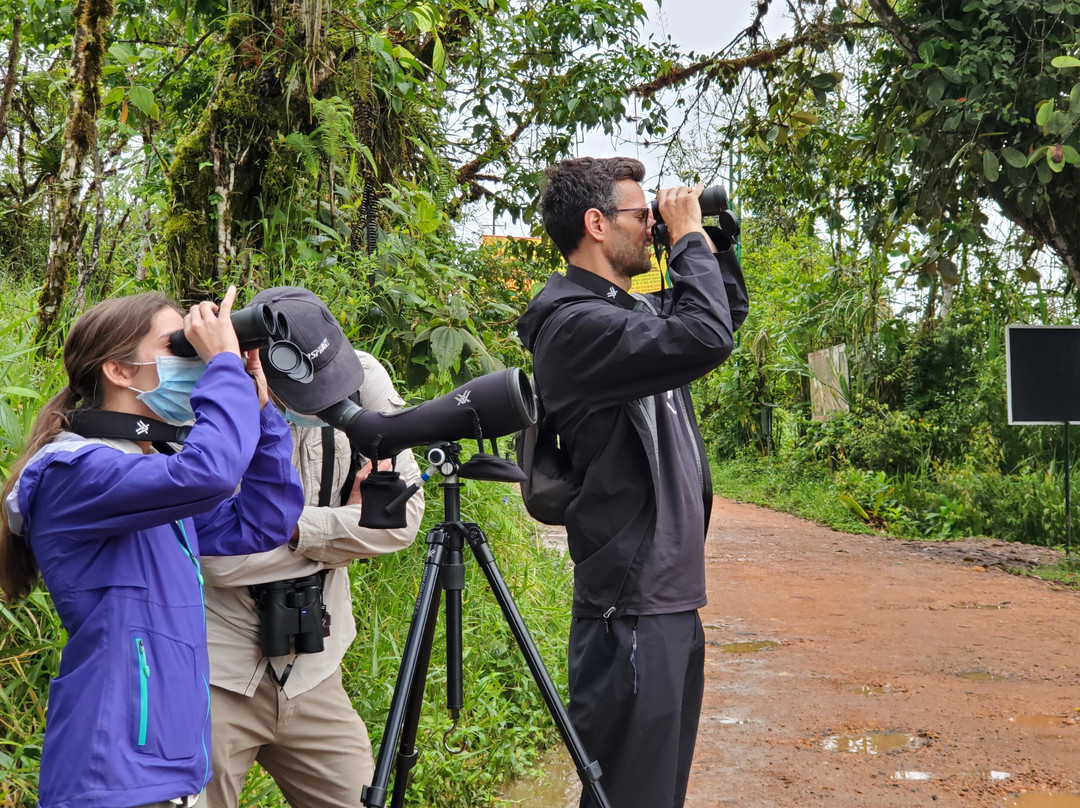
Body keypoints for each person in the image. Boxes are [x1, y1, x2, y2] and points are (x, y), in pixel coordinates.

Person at [0, 287, 305, 808]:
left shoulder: (143, 479)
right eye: (179, 347)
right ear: (119, 370)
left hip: (165, 764)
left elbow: (263, 520)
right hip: (110, 768)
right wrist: (224, 364)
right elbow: (209, 473)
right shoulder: (74, 473)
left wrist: (261, 413)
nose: (195, 362)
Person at [516, 157, 749, 808]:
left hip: (670, 600)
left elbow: (721, 315)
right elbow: (704, 335)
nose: (654, 226)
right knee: (629, 797)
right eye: (643, 215)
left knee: (656, 796)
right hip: (630, 611)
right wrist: (690, 238)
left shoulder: (627, 315)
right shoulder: (573, 328)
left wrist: (710, 239)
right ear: (596, 223)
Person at [199, 287, 425, 808]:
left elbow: (402, 522)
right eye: (309, 392)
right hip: (218, 677)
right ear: (256, 359)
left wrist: (283, 528)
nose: (327, 401)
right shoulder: (209, 394)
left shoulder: (362, 376)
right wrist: (342, 531)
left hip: (315, 668)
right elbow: (216, 559)